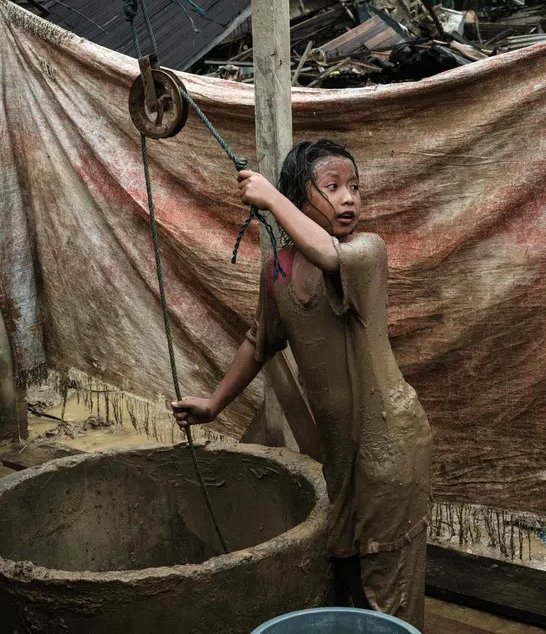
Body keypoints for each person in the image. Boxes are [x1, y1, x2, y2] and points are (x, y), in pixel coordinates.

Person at [172, 139, 433, 628]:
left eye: (354, 187)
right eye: (332, 187)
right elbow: (258, 342)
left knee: (387, 590)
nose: (349, 198)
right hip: (339, 458)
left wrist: (271, 198)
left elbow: (329, 256)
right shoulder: (278, 272)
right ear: (300, 196)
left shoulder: (364, 253)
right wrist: (213, 403)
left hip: (391, 449)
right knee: (345, 571)